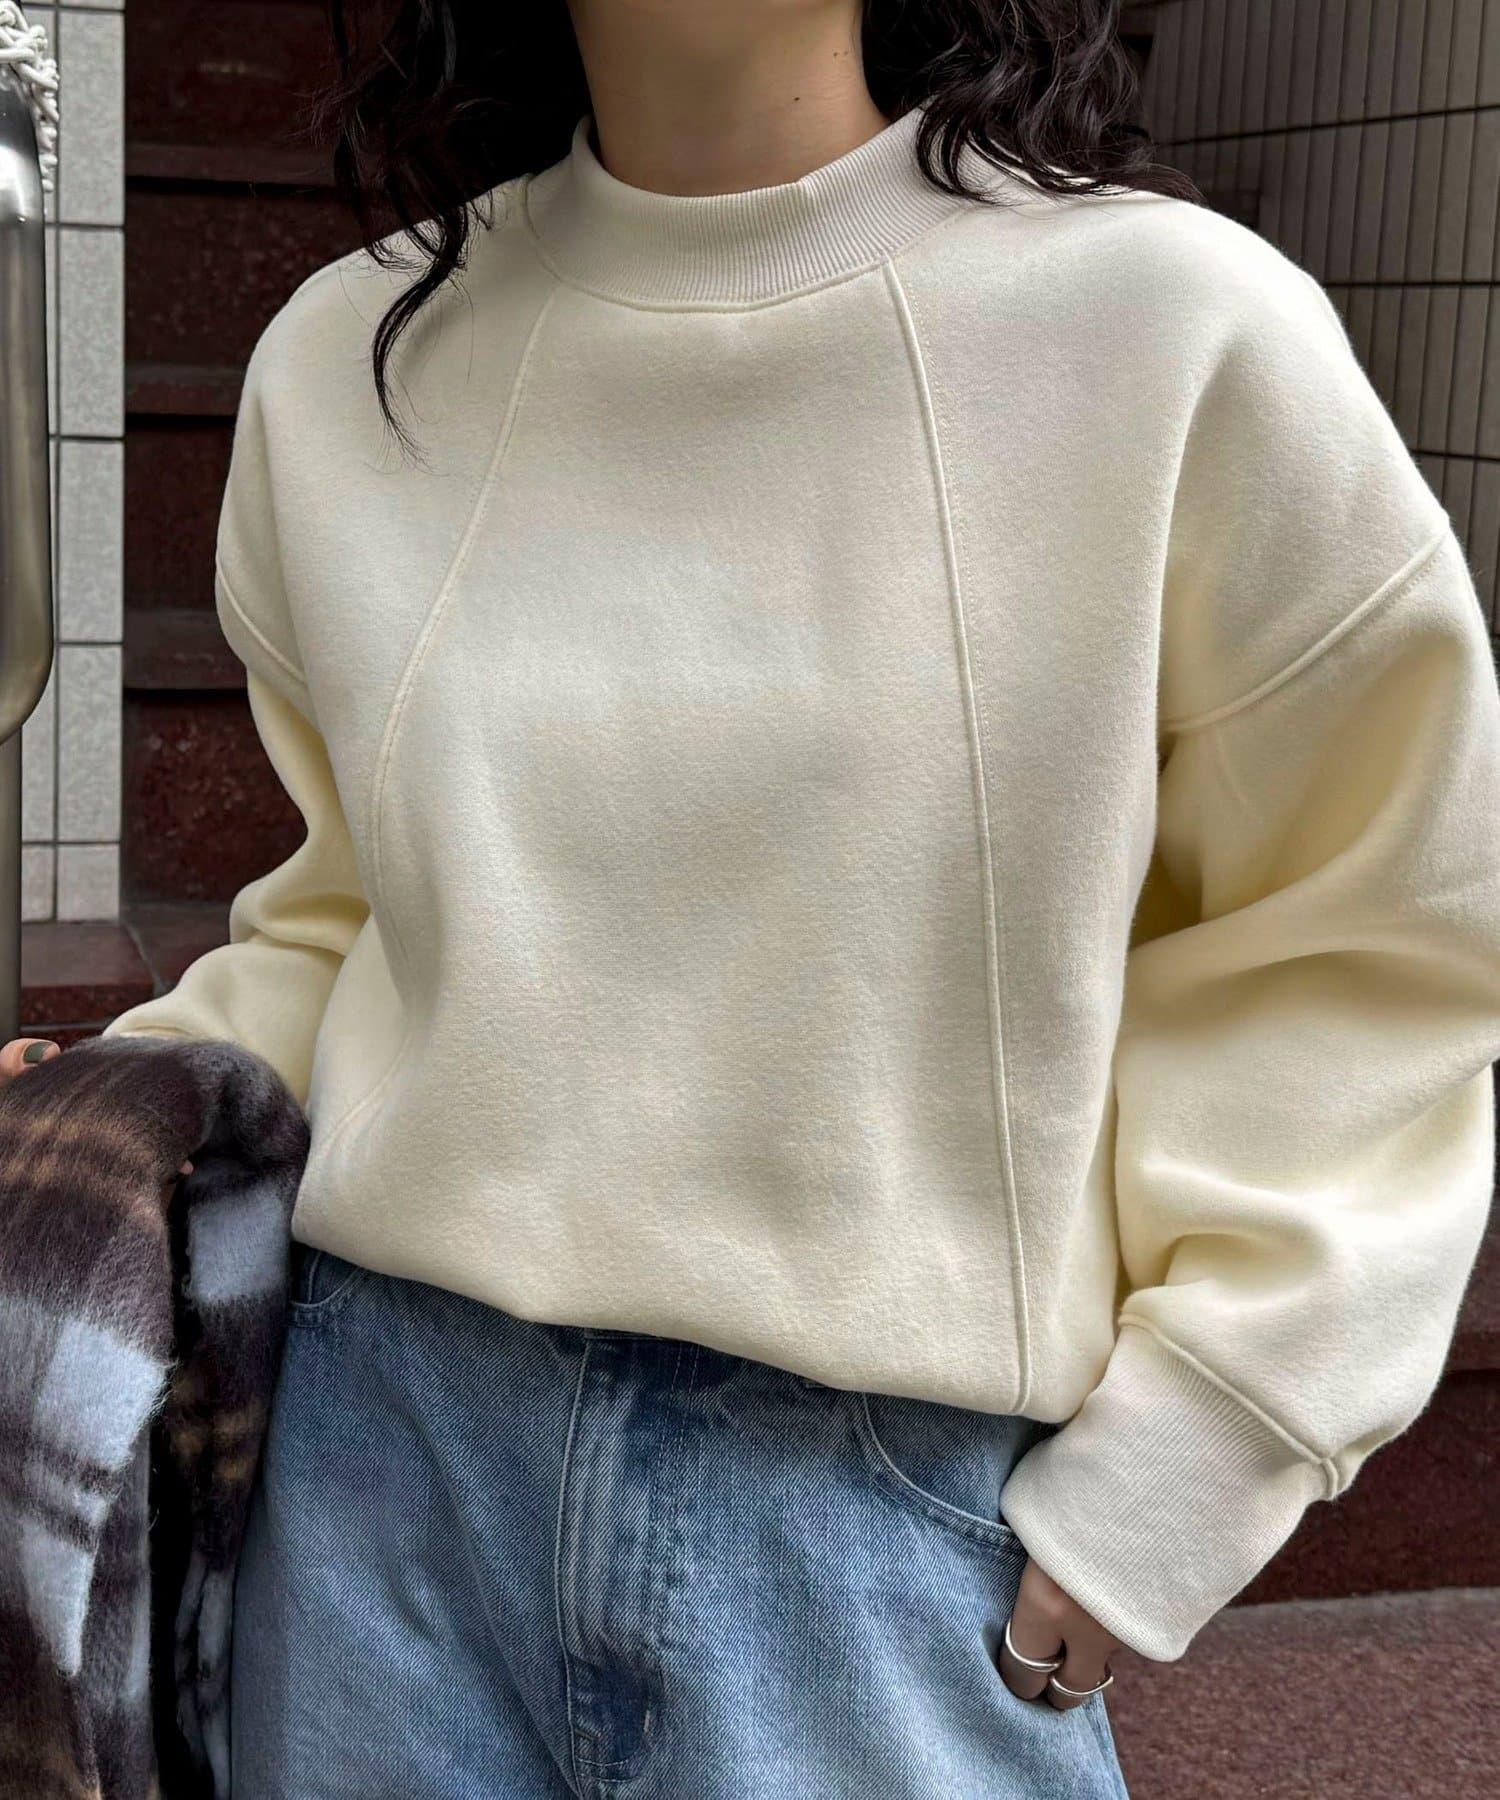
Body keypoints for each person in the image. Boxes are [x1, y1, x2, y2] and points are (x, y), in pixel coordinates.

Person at [8, 2, 1500, 1795]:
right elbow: (363, 910)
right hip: (375, 1470)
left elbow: (1364, 937)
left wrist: (1203, 1444)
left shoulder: (1170, 331)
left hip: (867, 1524)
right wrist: (116, 1096)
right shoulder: (351, 360)